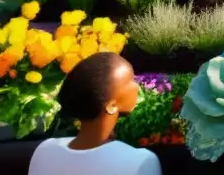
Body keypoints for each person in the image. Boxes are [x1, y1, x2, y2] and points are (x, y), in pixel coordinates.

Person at [28, 52, 160, 175]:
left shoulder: (45, 151)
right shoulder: (140, 161)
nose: (137, 86)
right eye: (130, 81)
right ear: (111, 105)